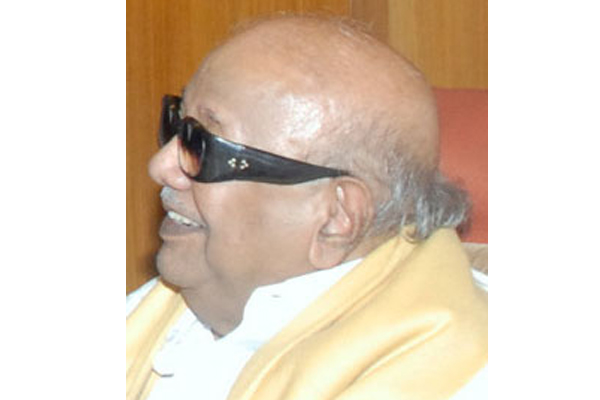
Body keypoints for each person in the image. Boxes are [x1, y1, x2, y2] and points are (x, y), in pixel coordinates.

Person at [127, 14, 488, 400]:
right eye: (176, 125)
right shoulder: (156, 310)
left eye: (203, 146)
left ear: (336, 219)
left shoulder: (463, 376)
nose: (160, 167)